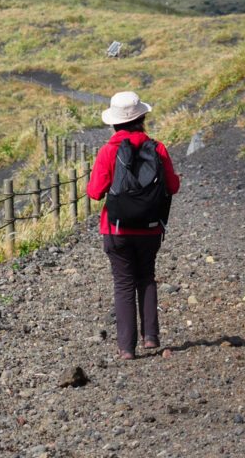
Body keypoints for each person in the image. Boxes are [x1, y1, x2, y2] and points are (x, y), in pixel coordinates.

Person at [87, 91, 180, 360]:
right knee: (146, 276)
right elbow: (173, 186)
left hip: (116, 229)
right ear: (142, 118)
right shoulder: (157, 147)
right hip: (151, 228)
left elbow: (95, 192)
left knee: (124, 283)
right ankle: (151, 337)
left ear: (115, 122)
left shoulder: (108, 150)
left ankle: (126, 348)